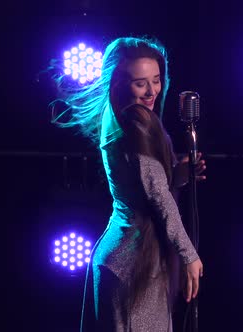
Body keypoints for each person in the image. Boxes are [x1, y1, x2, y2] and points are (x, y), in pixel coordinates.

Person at [51, 36, 205, 331]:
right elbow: (158, 196)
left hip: (128, 259)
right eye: (140, 83)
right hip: (131, 265)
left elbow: (146, 187)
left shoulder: (128, 117)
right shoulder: (132, 127)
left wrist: (178, 176)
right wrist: (189, 256)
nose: (152, 92)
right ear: (118, 84)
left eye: (156, 80)